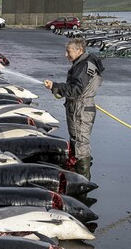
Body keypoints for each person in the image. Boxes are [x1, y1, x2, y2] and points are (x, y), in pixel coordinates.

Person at [44, 38, 105, 179]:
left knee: (80, 144)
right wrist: (56, 88)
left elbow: (75, 89)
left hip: (80, 108)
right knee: (77, 141)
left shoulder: (84, 66)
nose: (66, 55)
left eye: (68, 51)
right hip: (79, 107)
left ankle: (83, 182)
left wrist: (55, 86)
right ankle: (79, 174)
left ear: (79, 50)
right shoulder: (83, 63)